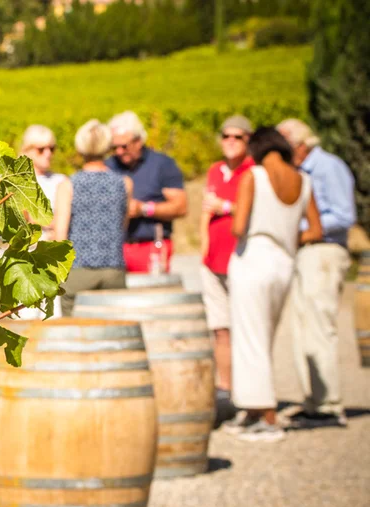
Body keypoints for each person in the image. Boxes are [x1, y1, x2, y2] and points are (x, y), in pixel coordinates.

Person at [225, 127, 322, 443]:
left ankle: (266, 414)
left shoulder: (254, 176)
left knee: (249, 338)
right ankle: (253, 412)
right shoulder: (302, 180)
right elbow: (315, 230)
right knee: (263, 337)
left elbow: (238, 226)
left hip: (253, 258)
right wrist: (286, 235)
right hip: (284, 263)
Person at [277, 119, 357, 426]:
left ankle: (329, 404)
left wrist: (301, 227)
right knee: (302, 327)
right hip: (305, 252)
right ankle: (313, 400)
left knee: (320, 326)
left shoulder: (327, 167)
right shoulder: (301, 172)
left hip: (323, 251)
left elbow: (344, 215)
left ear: (299, 144)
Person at [199, 115, 255, 417]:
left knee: (245, 329)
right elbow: (206, 209)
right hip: (213, 261)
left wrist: (228, 208)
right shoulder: (214, 170)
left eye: (238, 137)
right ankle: (227, 392)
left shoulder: (254, 172)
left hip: (241, 258)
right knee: (220, 329)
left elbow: (255, 211)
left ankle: (250, 395)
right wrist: (202, 246)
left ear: (248, 141)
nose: (230, 142)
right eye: (226, 136)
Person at [54, 119, 132, 316]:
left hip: (78, 270)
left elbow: (60, 236)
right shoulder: (124, 183)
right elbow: (123, 225)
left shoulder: (68, 185)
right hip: (113, 268)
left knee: (75, 331)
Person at [105, 111, 187, 273]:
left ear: (139, 141)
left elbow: (181, 206)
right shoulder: (108, 166)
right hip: (115, 247)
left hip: (150, 246)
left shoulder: (162, 164)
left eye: (124, 146)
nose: (119, 152)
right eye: (114, 147)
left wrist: (143, 209)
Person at [19, 124, 64, 320]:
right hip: (25, 256)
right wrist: (50, 221)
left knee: (52, 315)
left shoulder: (59, 180)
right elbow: (22, 218)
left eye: (51, 148)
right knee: (25, 313)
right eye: (41, 149)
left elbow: (62, 221)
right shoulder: (18, 181)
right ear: (28, 150)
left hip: (50, 256)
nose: (48, 153)